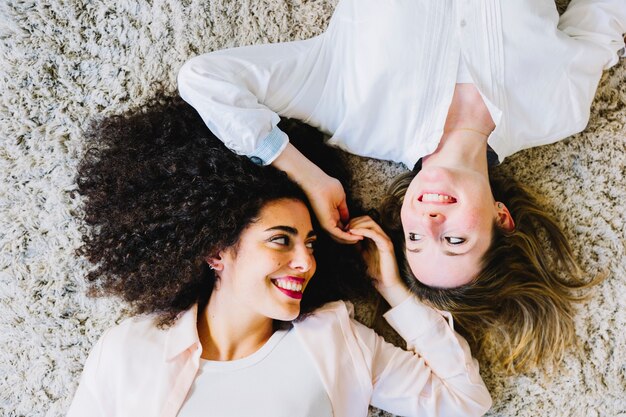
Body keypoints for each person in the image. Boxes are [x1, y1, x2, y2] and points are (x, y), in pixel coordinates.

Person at [177, 0, 625, 371]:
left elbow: (206, 79)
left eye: (413, 237)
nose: (429, 222)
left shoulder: (353, 115)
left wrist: (305, 173)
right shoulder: (560, 109)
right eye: (453, 239)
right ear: (501, 218)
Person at [66, 101, 492, 417]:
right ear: (217, 250)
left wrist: (393, 290)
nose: (305, 262)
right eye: (280, 240)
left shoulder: (335, 341)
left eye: (310, 243)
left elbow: (466, 402)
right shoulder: (129, 350)